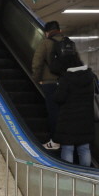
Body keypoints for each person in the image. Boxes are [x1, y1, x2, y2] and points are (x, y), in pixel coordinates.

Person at [53, 55, 95, 166]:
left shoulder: (66, 78)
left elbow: (59, 98)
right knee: (84, 148)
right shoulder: (90, 77)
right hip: (86, 118)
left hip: (68, 119)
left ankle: (69, 173)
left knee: (68, 148)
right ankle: (86, 173)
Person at [32, 20, 64, 150]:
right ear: (60, 31)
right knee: (66, 112)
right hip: (67, 83)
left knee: (53, 111)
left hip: (50, 83)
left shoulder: (45, 43)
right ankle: (67, 140)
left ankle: (55, 141)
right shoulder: (68, 43)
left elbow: (37, 63)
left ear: (46, 33)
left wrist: (37, 79)